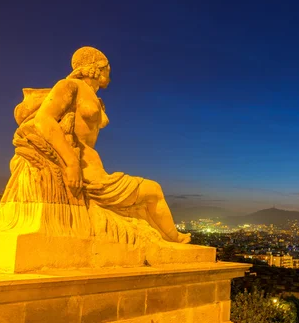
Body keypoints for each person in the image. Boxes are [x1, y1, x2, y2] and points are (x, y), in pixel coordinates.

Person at [13, 47, 189, 244]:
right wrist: (71, 163)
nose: (109, 75)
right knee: (154, 190)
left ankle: (170, 237)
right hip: (84, 169)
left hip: (93, 167)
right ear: (96, 68)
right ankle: (173, 237)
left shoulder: (92, 96)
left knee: (151, 192)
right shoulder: (70, 86)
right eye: (107, 69)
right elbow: (44, 120)